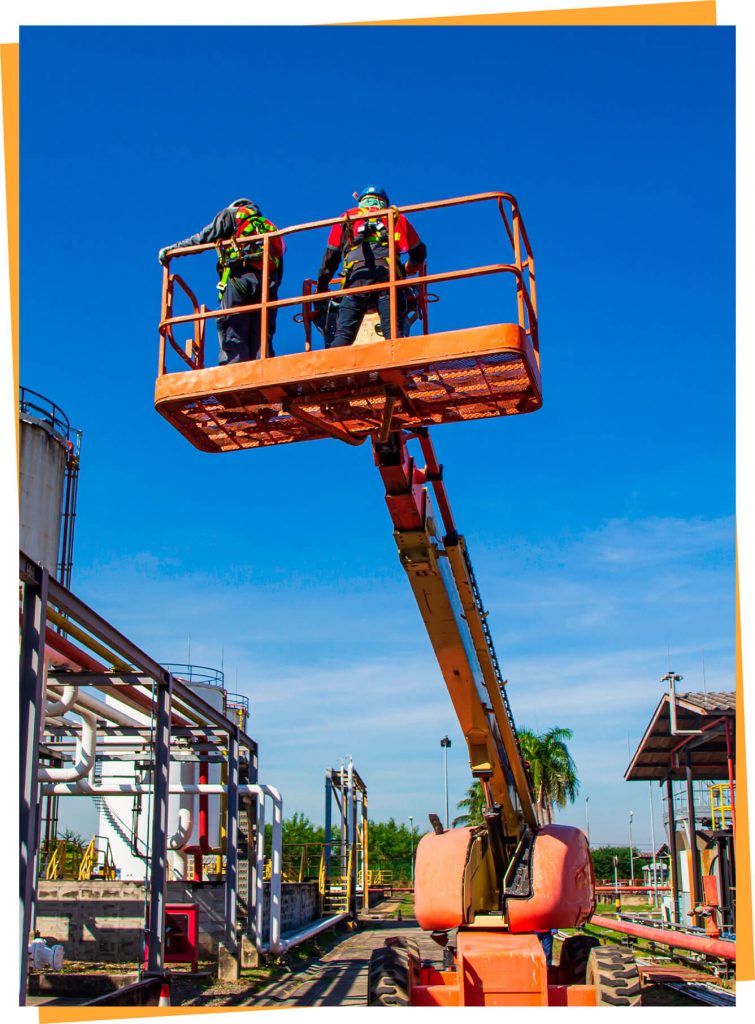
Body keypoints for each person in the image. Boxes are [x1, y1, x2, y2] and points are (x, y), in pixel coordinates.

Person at [158, 199, 285, 364]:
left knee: (233, 329)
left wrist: (173, 250)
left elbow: (204, 237)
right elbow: (279, 266)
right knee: (262, 335)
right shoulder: (270, 228)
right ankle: (265, 368)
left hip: (240, 279)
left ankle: (234, 372)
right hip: (268, 285)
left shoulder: (232, 214)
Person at [315, 186, 426, 348]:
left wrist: (322, 286)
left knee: (344, 333)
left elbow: (331, 258)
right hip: (388, 280)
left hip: (356, 279)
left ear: (361, 201)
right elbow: (419, 252)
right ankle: (397, 365)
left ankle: (335, 369)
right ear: (384, 202)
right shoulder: (396, 217)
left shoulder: (347, 217)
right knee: (393, 332)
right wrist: (411, 266)